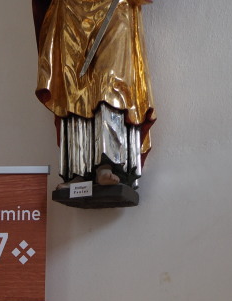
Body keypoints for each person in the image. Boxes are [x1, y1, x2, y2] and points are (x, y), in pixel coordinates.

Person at [33, 0, 155, 188]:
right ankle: (79, 170)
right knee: (74, 86)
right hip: (71, 6)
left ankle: (108, 163)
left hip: (115, 5)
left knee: (110, 82)